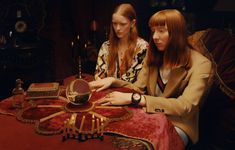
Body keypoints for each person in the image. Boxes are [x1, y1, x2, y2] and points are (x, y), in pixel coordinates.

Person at [89, 9, 212, 147]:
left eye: (161, 31)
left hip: (179, 123)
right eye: (153, 31)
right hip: (149, 116)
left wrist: (136, 99)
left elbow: (185, 106)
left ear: (177, 33)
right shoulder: (153, 55)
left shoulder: (201, 64)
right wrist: (113, 81)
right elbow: (138, 88)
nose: (154, 37)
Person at [94, 3, 148, 83]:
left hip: (131, 94)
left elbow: (131, 79)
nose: (117, 28)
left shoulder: (142, 47)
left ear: (132, 23)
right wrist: (99, 78)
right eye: (114, 24)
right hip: (108, 93)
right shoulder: (106, 46)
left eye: (123, 24)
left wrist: (110, 82)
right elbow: (99, 74)